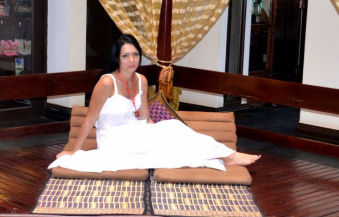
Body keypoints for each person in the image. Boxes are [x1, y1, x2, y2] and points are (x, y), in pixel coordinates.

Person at [48, 34, 260, 173]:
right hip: (114, 140)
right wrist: (74, 151)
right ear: (117, 58)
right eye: (125, 56)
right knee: (171, 131)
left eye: (135, 55)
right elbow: (89, 120)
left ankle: (226, 155)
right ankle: (229, 156)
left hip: (135, 132)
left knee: (173, 127)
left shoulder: (141, 80)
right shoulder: (106, 83)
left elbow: (145, 117)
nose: (132, 60)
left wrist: (153, 133)